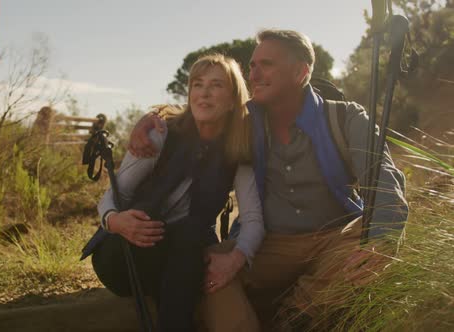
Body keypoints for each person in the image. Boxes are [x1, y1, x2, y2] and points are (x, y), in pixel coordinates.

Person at [129, 29, 408, 331]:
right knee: (212, 261)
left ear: (301, 71)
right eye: (252, 65)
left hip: (335, 239)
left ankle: (296, 316)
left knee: (371, 234)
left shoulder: (347, 118)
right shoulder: (243, 121)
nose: (254, 74)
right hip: (270, 244)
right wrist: (154, 119)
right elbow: (202, 111)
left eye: (267, 64)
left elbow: (387, 182)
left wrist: (379, 243)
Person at [82, 54, 265, 331]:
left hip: (184, 255)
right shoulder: (160, 134)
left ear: (231, 100)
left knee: (192, 246)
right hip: (127, 253)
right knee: (188, 251)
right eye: (197, 84)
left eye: (216, 85)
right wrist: (116, 221)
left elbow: (253, 218)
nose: (203, 93)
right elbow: (114, 195)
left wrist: (235, 260)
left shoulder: (237, 150)